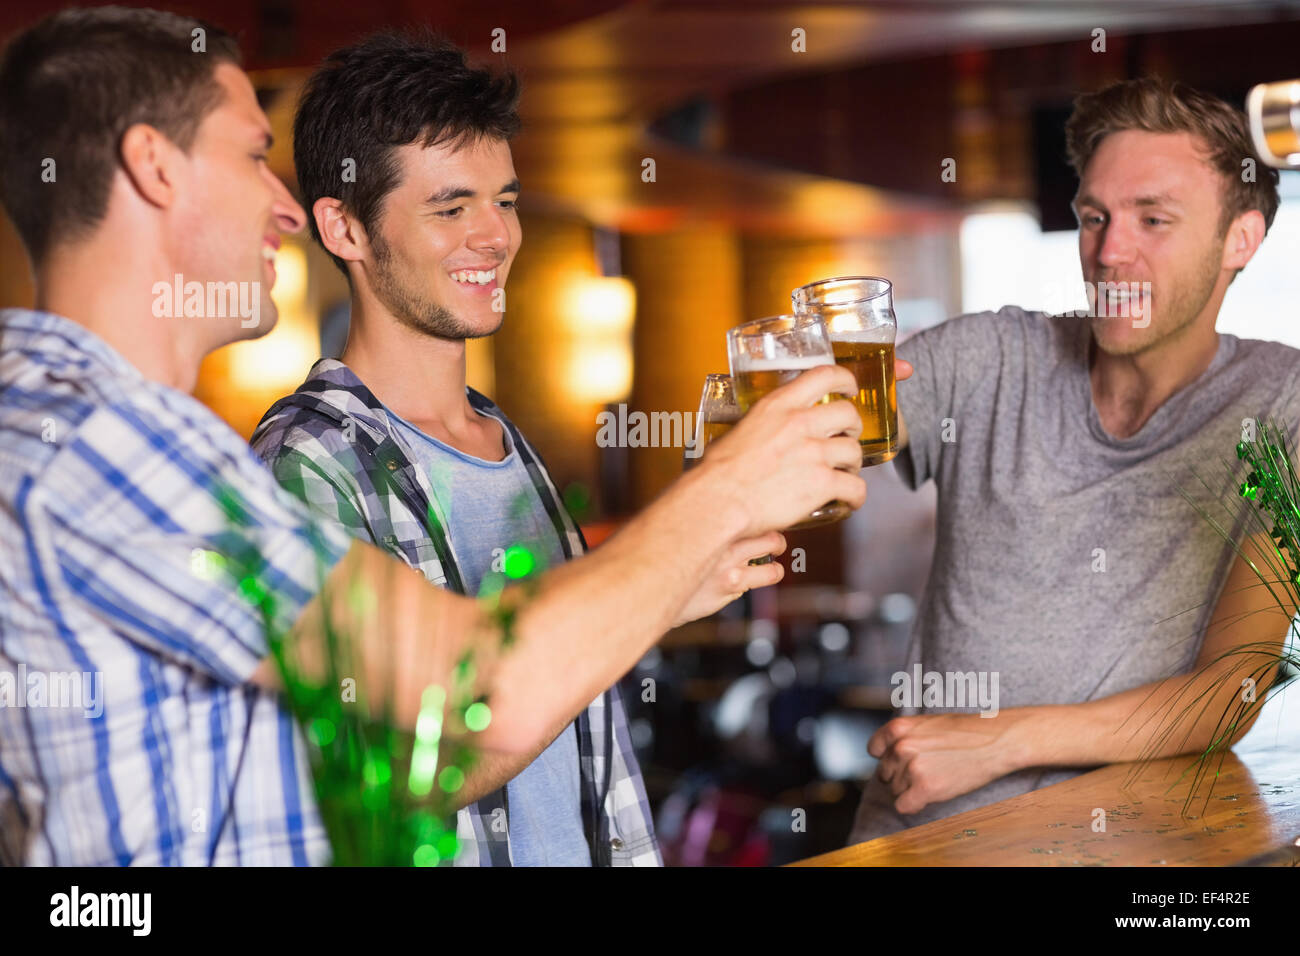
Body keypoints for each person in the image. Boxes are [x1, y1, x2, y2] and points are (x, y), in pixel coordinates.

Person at [0, 6, 868, 866]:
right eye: (253, 155)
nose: (284, 207)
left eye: (503, 201)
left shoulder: (103, 430)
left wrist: (671, 582)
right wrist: (723, 495)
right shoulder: (100, 441)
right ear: (153, 166)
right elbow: (460, 706)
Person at [849, 75, 1299, 844]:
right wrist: (778, 418)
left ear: (1240, 241)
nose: (1108, 251)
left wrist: (999, 740)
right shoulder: (988, 355)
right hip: (917, 843)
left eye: (1152, 219)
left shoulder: (1283, 408)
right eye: (1094, 217)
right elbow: (814, 441)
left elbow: (1231, 690)